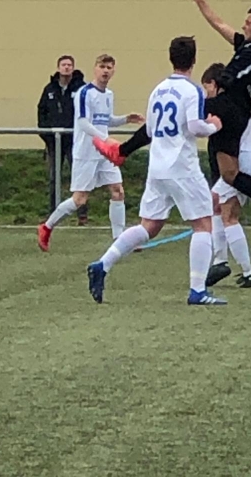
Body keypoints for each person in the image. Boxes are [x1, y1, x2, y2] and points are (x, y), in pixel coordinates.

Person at [96, 0, 251, 232]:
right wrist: (200, 0)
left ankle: (121, 151)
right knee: (230, 174)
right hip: (237, 112)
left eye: (248, 22)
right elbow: (219, 24)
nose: (244, 25)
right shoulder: (245, 44)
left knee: (172, 114)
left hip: (227, 103)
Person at [86, 36, 228, 306]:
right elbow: (195, 126)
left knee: (149, 226)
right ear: (194, 60)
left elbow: (150, 130)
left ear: (171, 58)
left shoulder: (158, 90)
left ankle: (102, 264)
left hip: (158, 166)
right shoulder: (193, 91)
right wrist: (214, 126)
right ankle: (198, 290)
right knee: (203, 224)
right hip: (182, 166)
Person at [37, 54, 144, 252]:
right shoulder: (84, 93)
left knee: (118, 190)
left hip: (104, 153)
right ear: (95, 69)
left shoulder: (108, 94)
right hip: (86, 152)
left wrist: (125, 119)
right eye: (102, 67)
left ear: (113, 71)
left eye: (109, 67)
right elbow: (83, 122)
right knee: (79, 199)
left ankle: (119, 239)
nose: (105, 71)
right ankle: (47, 226)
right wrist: (105, 139)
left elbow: (105, 120)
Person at [203, 63, 251, 289]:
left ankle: (245, 272)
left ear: (214, 84)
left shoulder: (225, 103)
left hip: (244, 160)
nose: (207, 94)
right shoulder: (241, 93)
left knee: (228, 215)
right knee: (216, 202)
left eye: (207, 88)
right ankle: (222, 263)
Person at [37, 55, 88, 224]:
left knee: (79, 177)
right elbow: (42, 111)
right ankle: (53, 213)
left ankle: (82, 214)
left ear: (73, 68)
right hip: (54, 142)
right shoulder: (49, 89)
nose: (66, 67)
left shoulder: (81, 89)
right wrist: (47, 135)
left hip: (75, 141)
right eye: (63, 65)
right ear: (58, 68)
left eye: (69, 65)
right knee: (54, 177)